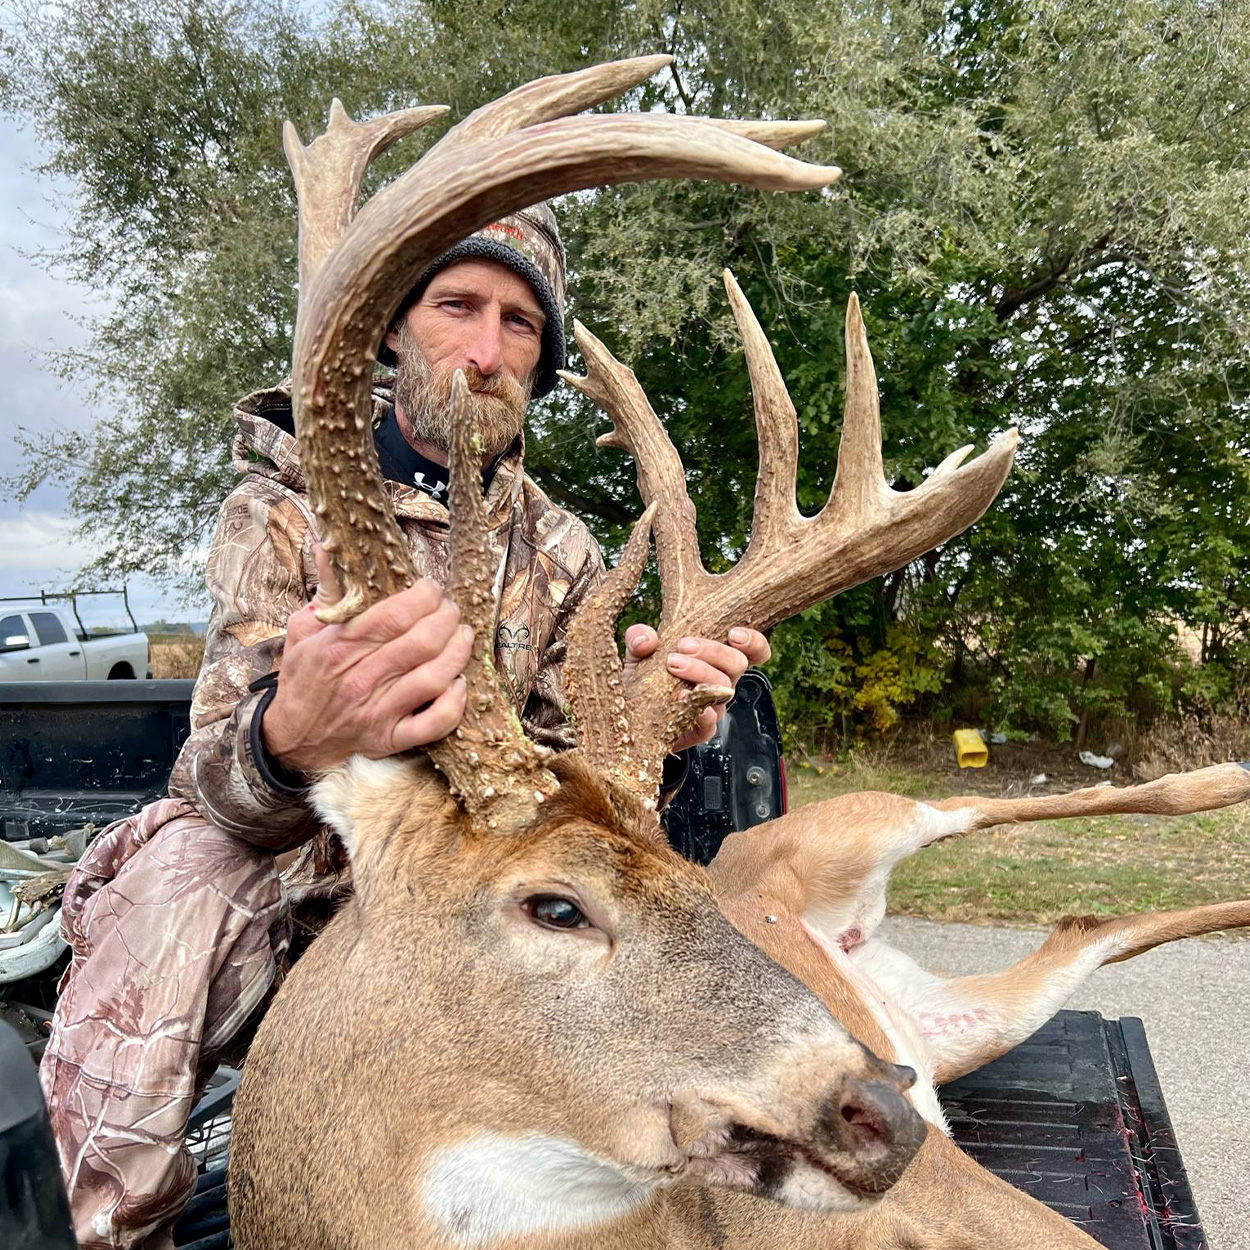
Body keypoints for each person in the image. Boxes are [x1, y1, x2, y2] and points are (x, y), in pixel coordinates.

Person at [38, 204, 770, 1249]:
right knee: (180, 869)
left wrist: (657, 715)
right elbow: (208, 778)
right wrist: (287, 735)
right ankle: (96, 1223)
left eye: (519, 324)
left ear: (541, 359)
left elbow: (573, 795)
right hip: (309, 898)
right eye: (457, 305)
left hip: (480, 908)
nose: (485, 349)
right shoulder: (286, 506)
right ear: (390, 327)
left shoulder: (559, 549)